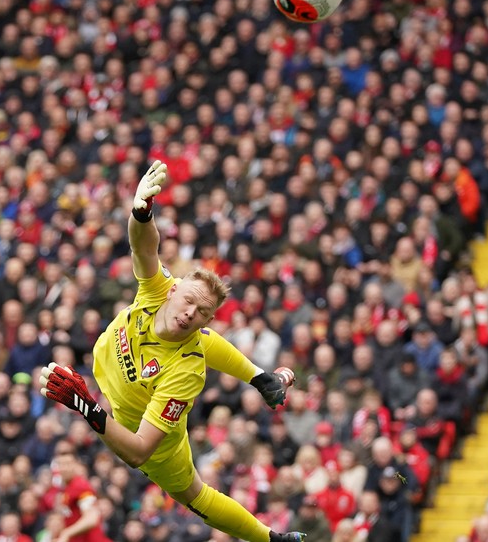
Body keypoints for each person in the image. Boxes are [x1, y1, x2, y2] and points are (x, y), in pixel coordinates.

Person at [40, 161, 305, 542]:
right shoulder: (157, 289)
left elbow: (136, 452)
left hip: (151, 439)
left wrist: (85, 406)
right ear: (175, 287)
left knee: (195, 496)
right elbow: (143, 245)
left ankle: (270, 540)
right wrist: (141, 212)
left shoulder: (188, 372)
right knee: (193, 340)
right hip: (110, 374)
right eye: (190, 302)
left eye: (203, 314)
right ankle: (262, 377)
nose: (191, 314)